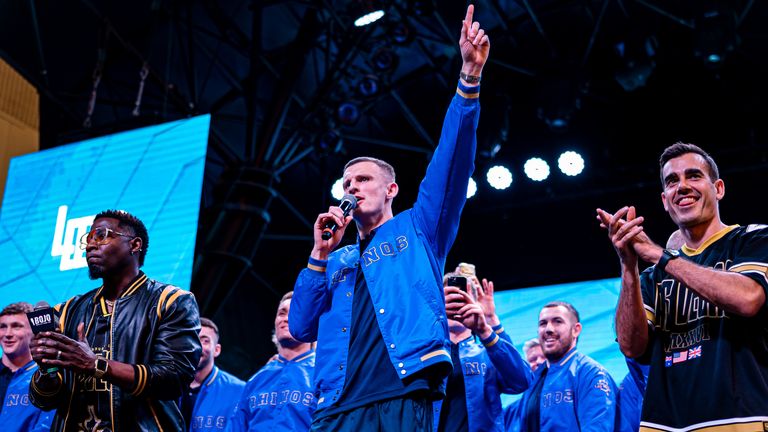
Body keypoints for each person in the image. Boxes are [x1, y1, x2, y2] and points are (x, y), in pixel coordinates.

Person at [288, 4, 490, 431]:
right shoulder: (336, 260)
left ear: (391, 189)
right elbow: (301, 326)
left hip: (402, 391)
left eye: (363, 179)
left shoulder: (419, 228)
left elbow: (452, 162)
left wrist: (469, 79)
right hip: (335, 405)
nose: (352, 188)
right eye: (346, 183)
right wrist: (318, 256)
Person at [597, 142, 768, 430]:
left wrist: (659, 255)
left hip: (742, 420)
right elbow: (631, 346)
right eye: (672, 181)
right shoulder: (651, 277)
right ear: (665, 200)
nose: (683, 186)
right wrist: (628, 266)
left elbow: (747, 298)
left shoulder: (752, 239)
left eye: (694, 176)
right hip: (665, 425)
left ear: (719, 188)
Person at [28, 209, 202, 431]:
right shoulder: (68, 311)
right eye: (88, 239)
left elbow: (174, 379)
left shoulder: (171, 301)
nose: (90, 245)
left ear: (135, 245)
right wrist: (47, 370)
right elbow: (44, 401)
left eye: (101, 235)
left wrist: (96, 365)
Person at [434, 273, 531, 431]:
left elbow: (522, 381)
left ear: (475, 304)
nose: (457, 304)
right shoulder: (428, 353)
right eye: (450, 298)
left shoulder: (488, 354)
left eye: (463, 298)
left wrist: (487, 326)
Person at [512, 302, 617, 431]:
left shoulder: (592, 374)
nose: (549, 329)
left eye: (557, 321)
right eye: (543, 323)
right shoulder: (533, 380)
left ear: (576, 330)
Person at [229, 291, 316, 431]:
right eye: (282, 313)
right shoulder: (256, 380)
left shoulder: (323, 374)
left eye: (294, 312)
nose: (285, 319)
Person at [180, 317, 244, 431]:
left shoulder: (239, 391)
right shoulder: (168, 387)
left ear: (217, 350)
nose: (196, 346)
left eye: (205, 341)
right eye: (192, 338)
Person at [0, 302, 53, 431]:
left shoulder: (46, 378)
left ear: (34, 332)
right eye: (2, 327)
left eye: (16, 326)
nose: (7, 334)